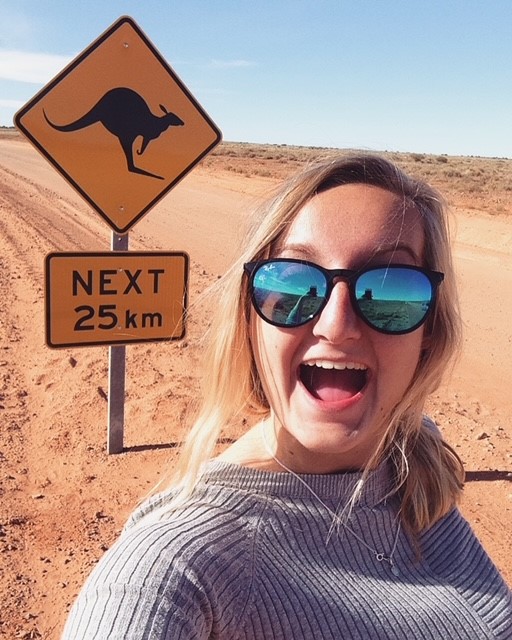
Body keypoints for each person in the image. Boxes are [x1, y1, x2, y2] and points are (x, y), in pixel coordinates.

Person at [62, 154, 512, 639]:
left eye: (389, 290)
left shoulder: (415, 460)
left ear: (429, 330)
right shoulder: (173, 568)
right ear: (249, 319)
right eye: (294, 283)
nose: (336, 325)